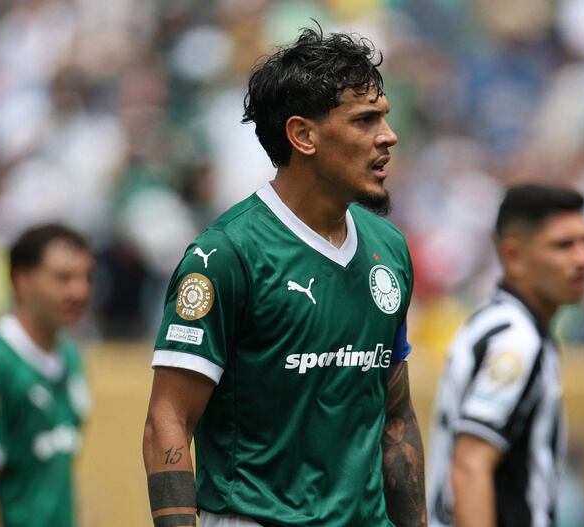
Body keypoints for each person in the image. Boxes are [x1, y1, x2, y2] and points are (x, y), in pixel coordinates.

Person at [142, 25, 426, 527]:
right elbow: (169, 420)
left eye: (383, 116)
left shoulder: (389, 249)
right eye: (365, 120)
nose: (388, 135)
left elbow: (396, 420)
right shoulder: (225, 255)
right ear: (303, 135)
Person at [426, 184, 584, 527]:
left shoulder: (495, 321)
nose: (583, 259)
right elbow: (470, 465)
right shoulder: (516, 342)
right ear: (514, 256)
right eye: (564, 245)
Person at [0, 223, 94, 527]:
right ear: (22, 280)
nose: (79, 291)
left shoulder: (72, 359)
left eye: (87, 277)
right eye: (63, 278)